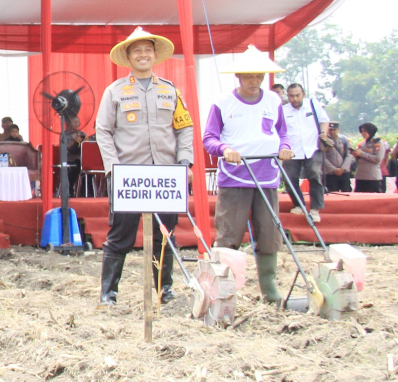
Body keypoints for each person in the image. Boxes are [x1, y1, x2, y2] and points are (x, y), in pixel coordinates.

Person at [94, 28, 194, 306]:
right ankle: (108, 294)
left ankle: (165, 291)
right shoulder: (115, 91)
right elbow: (103, 131)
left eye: (147, 50)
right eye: (136, 51)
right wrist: (113, 168)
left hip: (165, 174)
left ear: (155, 55)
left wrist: (184, 162)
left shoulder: (170, 90)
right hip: (128, 175)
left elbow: (185, 128)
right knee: (120, 234)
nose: (143, 55)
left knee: (165, 235)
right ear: (128, 57)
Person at [202, 46, 292, 304]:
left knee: (269, 231)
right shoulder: (223, 103)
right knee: (230, 232)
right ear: (238, 76)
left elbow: (282, 133)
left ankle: (269, 289)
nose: (254, 81)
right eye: (249, 76)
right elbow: (209, 138)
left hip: (267, 174)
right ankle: (222, 287)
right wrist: (225, 149)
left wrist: (285, 147)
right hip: (236, 176)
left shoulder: (273, 101)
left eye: (259, 76)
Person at [280, 83, 328, 222]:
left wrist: (323, 133)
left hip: (312, 147)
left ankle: (315, 209)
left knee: (314, 175)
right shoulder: (283, 110)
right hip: (291, 150)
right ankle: (299, 204)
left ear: (303, 94)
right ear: (287, 96)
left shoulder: (313, 105)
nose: (295, 99)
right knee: (290, 179)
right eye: (291, 96)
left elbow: (324, 121)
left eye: (297, 95)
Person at [351, 122, 388, 193]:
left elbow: (378, 159)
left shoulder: (377, 143)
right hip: (361, 176)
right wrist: (356, 155)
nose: (363, 133)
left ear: (371, 131)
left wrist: (362, 154)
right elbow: (360, 160)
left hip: (372, 177)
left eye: (365, 131)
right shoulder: (363, 144)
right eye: (362, 131)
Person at [321, 121, 352, 193]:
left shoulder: (345, 140)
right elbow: (322, 156)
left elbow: (349, 154)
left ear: (338, 130)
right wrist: (333, 169)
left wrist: (343, 168)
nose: (332, 132)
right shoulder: (323, 141)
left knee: (346, 192)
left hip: (344, 172)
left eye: (334, 130)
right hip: (329, 173)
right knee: (332, 193)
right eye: (330, 130)